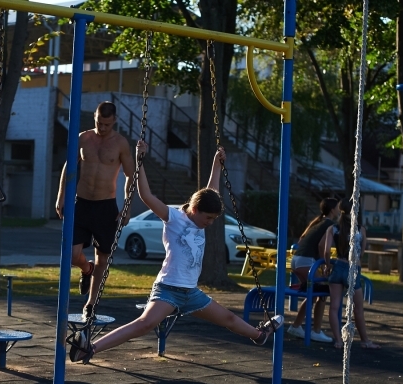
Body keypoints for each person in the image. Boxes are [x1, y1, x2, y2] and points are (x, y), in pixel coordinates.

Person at [69, 141, 284, 363]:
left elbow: (212, 190)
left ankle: (260, 335)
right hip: (168, 290)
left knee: (229, 318)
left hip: (191, 292)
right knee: (145, 323)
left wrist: (217, 165)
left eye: (213, 219)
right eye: (208, 218)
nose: (210, 223)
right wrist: (140, 161)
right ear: (194, 209)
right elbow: (146, 196)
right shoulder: (174, 218)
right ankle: (91, 348)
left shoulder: (202, 215)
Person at [56, 101, 136, 320]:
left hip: (105, 206)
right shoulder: (83, 138)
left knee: (103, 258)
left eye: (107, 125)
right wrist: (61, 195)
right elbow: (69, 165)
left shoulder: (120, 143)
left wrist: (127, 205)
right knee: (72, 255)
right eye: (99, 123)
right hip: (81, 203)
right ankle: (85, 269)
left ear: (114, 121)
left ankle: (90, 304)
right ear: (95, 118)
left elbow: (131, 175)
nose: (102, 128)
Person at [322, 200, 380, 350]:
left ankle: (338, 341)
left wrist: (327, 266)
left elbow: (327, 251)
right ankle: (365, 340)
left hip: (338, 267)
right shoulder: (360, 230)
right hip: (353, 268)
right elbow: (361, 252)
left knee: (334, 307)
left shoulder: (333, 229)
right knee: (358, 308)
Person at [286, 198, 341, 343]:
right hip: (306, 261)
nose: (339, 210)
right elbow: (322, 246)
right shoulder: (330, 224)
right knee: (322, 292)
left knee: (314, 294)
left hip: (298, 260)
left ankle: (297, 326)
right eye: (337, 207)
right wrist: (325, 265)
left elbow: (303, 241)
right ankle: (315, 330)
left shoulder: (318, 222)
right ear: (332, 210)